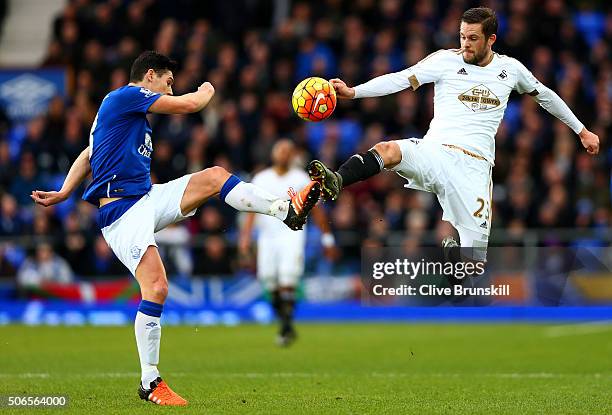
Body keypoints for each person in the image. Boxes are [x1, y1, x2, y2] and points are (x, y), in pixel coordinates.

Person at [31, 51, 321, 406]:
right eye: (168, 82)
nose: (170, 89)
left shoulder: (123, 114)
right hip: (122, 212)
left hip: (146, 197)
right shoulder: (126, 96)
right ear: (149, 76)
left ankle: (284, 210)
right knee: (157, 286)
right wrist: (208, 90)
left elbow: (89, 154)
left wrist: (64, 191)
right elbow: (190, 104)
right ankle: (150, 382)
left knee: (215, 176)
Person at [308, 7, 599, 263]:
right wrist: (354, 92)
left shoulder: (510, 70)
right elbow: (399, 78)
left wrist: (582, 130)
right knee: (387, 150)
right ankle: (337, 179)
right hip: (436, 152)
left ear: (491, 39)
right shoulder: (445, 61)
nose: (465, 44)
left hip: (474, 168)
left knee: (473, 264)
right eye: (462, 36)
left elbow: (546, 96)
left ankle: (456, 265)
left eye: (473, 38)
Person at [239, 139, 336, 346]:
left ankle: (285, 328)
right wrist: (245, 237)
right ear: (274, 154)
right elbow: (250, 208)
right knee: (268, 279)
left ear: (292, 155)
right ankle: (287, 325)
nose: (283, 154)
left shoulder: (301, 178)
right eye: (280, 150)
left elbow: (316, 209)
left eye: (287, 151)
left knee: (288, 278)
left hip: (292, 234)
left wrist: (327, 238)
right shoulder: (261, 178)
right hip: (267, 236)